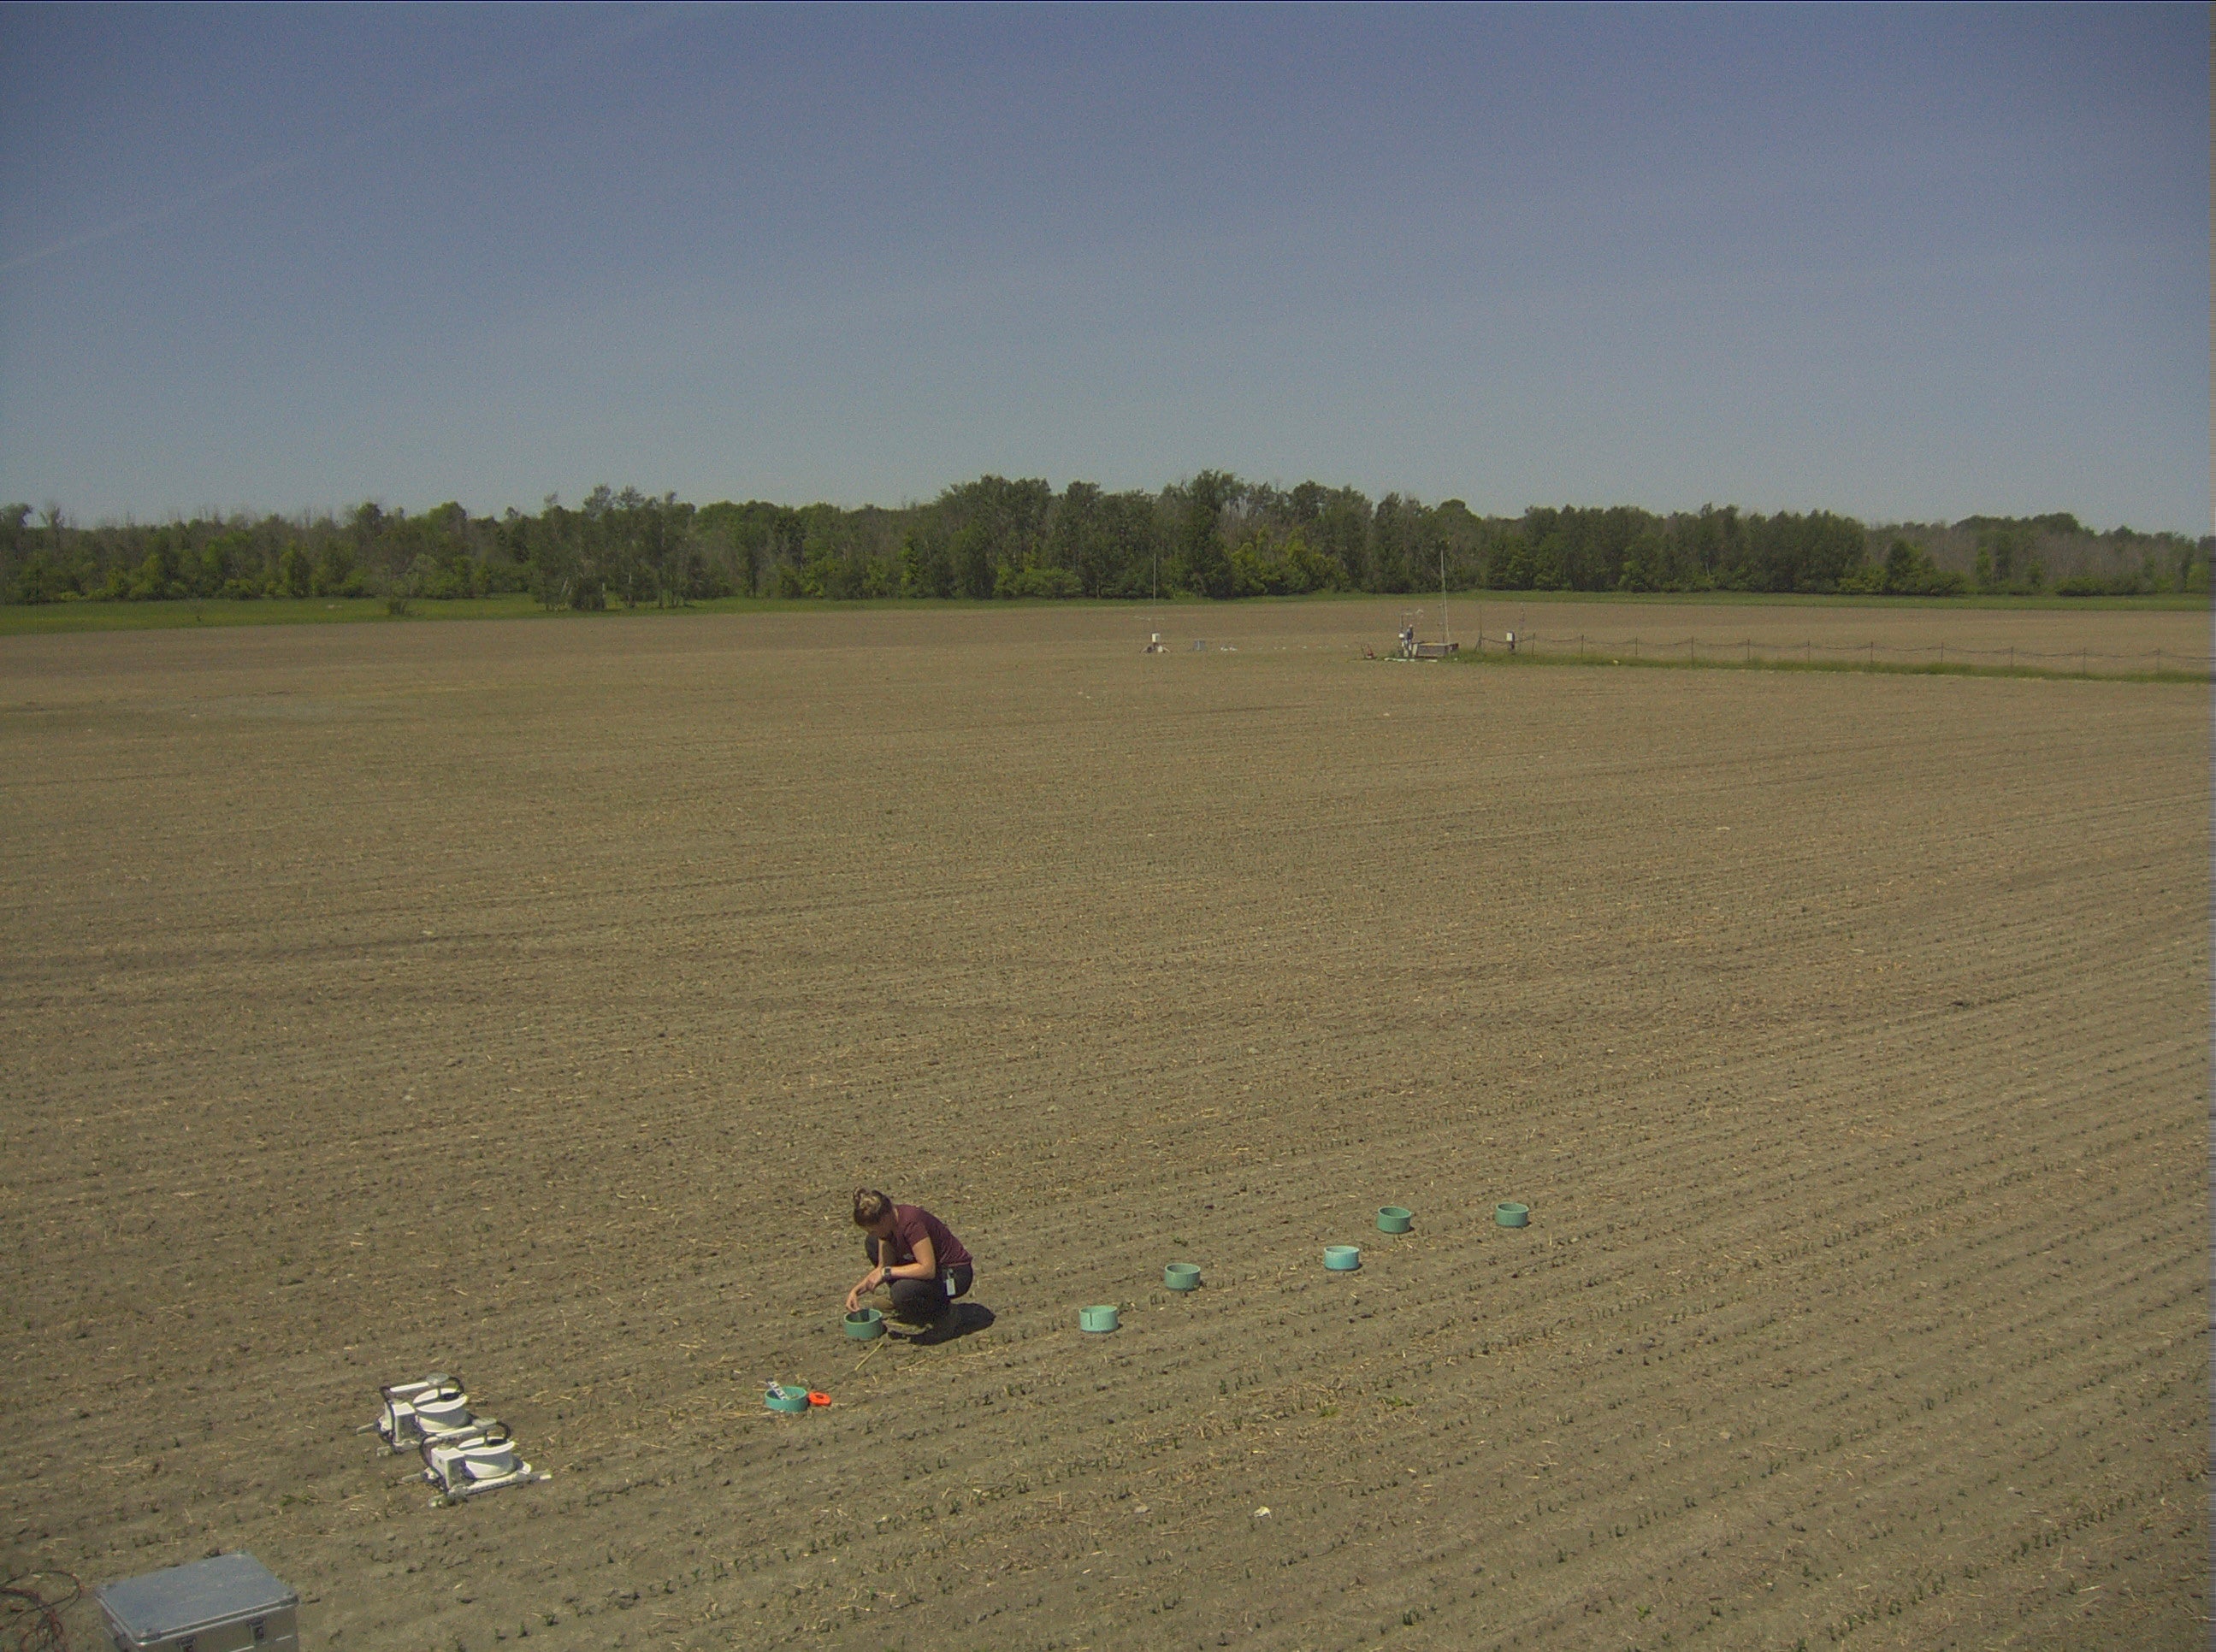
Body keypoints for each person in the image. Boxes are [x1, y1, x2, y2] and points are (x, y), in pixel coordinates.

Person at [844, 1188, 974, 1325]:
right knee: (872, 1244)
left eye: (874, 1230)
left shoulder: (911, 1223)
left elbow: (928, 1270)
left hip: (953, 1276)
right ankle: (906, 1304)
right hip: (933, 1273)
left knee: (901, 1290)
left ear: (884, 1218)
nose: (873, 1234)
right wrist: (856, 1291)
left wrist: (887, 1273)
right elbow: (884, 1266)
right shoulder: (888, 1228)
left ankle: (943, 1315)